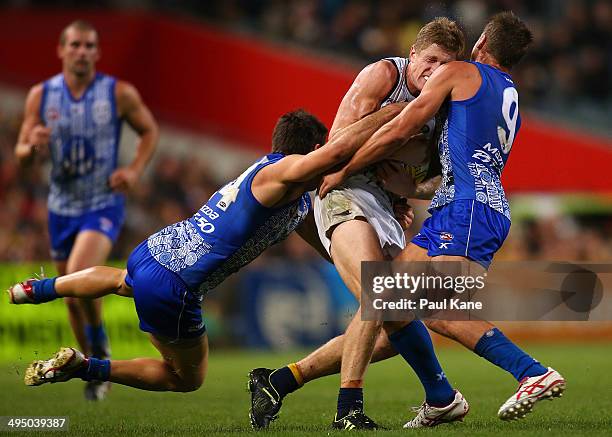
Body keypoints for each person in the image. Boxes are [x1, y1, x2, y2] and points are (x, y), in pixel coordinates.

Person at [8, 107, 412, 395]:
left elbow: (327, 244)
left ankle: (37, 289)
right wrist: (394, 112)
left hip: (156, 250)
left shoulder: (290, 195)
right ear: (310, 149)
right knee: (185, 378)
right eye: (319, 151)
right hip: (177, 286)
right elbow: (337, 154)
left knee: (121, 281)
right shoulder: (281, 171)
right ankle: (85, 367)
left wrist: (364, 250)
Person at [316, 11, 565, 425]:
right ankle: (439, 398)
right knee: (393, 303)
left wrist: (343, 167)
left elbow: (402, 127)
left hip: (465, 211)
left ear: (482, 41)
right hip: (473, 209)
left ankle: (532, 373)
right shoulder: (512, 96)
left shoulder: (463, 72)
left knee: (437, 312)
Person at [249, 18, 469, 430]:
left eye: (446, 66)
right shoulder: (384, 75)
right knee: (381, 293)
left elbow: (433, 179)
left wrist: (407, 191)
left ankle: (279, 381)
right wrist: (393, 120)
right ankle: (349, 407)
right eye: (432, 60)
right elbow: (339, 138)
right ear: (413, 55)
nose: (436, 72)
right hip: (342, 187)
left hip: (383, 205)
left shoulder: (443, 107)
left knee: (397, 317)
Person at [14, 20, 158, 400]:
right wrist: (32, 147)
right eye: (75, 45)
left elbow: (150, 131)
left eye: (89, 46)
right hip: (60, 208)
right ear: (61, 50)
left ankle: (100, 361)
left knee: (77, 279)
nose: (81, 51)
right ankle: (93, 364)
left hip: (102, 204)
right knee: (74, 299)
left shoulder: (117, 93)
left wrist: (133, 169)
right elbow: (20, 154)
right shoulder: (41, 96)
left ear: (96, 52)